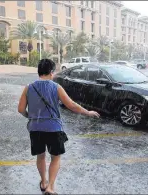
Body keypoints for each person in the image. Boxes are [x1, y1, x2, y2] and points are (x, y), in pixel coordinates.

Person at [18, 59, 100, 195]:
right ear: (51, 72)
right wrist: (88, 112)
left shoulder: (29, 87)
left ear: (39, 71)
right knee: (55, 157)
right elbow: (71, 105)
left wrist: (30, 117)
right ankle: (50, 187)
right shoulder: (56, 87)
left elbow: (20, 109)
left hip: (35, 128)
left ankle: (43, 182)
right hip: (53, 128)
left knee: (40, 156)